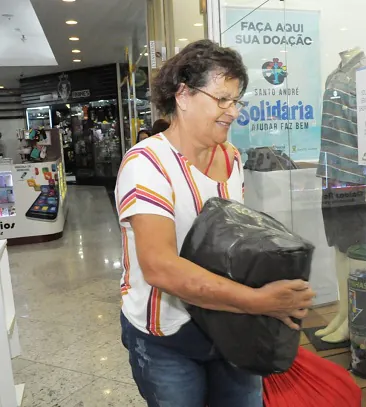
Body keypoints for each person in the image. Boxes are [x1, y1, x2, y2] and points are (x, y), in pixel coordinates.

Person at [115, 39, 315, 407]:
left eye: (236, 100)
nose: (233, 111)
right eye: (222, 99)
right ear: (183, 94)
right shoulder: (146, 165)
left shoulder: (231, 157)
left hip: (229, 328)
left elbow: (235, 241)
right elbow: (161, 268)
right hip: (167, 337)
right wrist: (257, 302)